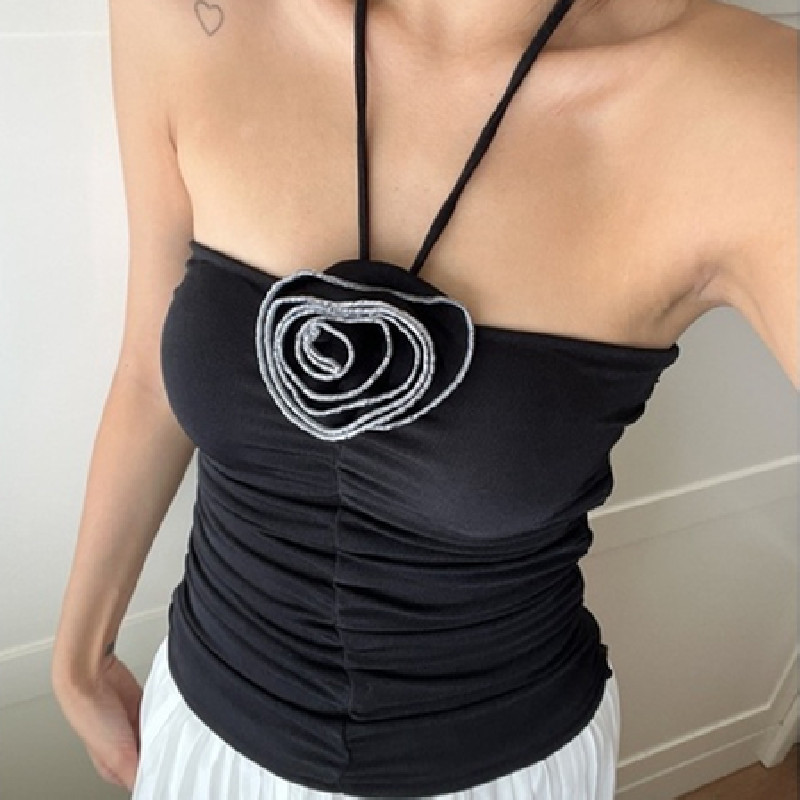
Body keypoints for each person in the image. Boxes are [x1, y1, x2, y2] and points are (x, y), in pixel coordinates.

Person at [51, 0, 797, 798]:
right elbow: (148, 373)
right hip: (205, 740)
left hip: (501, 770)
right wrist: (80, 656)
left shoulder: (752, 113)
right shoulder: (189, 14)